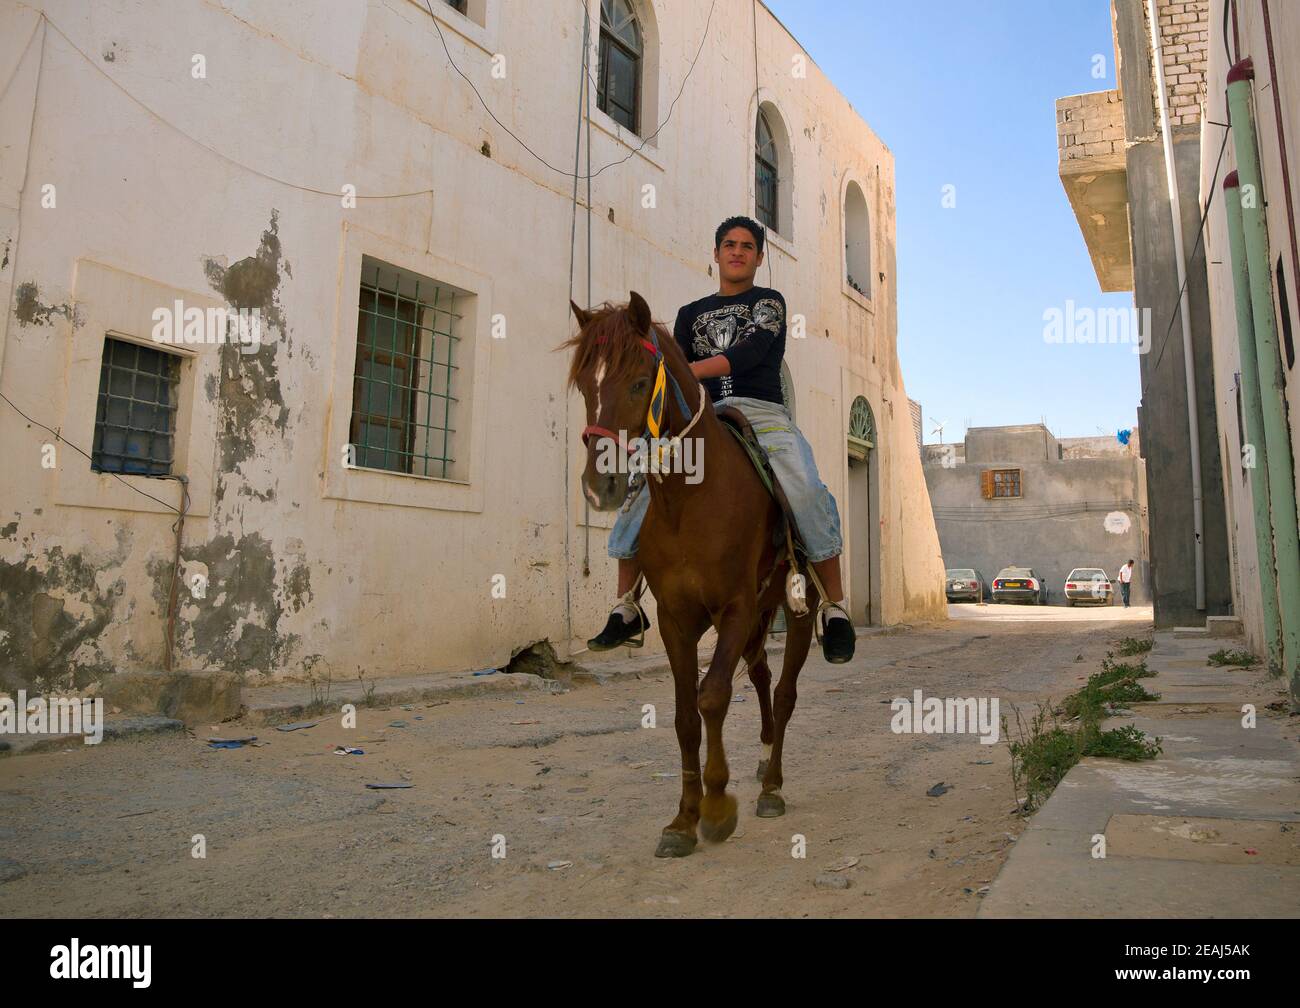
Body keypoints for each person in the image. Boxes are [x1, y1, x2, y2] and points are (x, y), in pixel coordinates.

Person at [587, 215, 856, 664]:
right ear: (715, 254)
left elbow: (748, 354)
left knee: (805, 486)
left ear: (758, 258)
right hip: (703, 417)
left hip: (762, 413)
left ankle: (833, 606)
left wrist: (686, 372)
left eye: (746, 246)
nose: (736, 252)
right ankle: (627, 603)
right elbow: (671, 368)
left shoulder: (769, 302)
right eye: (729, 244)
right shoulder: (691, 314)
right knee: (643, 479)